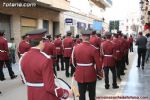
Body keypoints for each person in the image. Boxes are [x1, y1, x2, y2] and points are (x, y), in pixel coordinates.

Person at [20, 29, 71, 100]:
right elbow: (50, 87)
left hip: (31, 94)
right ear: (40, 42)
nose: (44, 43)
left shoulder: (24, 57)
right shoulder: (45, 59)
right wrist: (65, 93)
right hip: (44, 95)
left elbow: (24, 79)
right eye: (43, 41)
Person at [71, 29, 103, 100]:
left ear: (82, 37)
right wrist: (99, 72)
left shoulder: (75, 48)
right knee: (92, 94)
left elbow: (73, 62)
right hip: (91, 73)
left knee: (81, 94)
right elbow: (98, 64)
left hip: (79, 73)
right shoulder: (94, 49)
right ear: (90, 37)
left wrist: (78, 68)